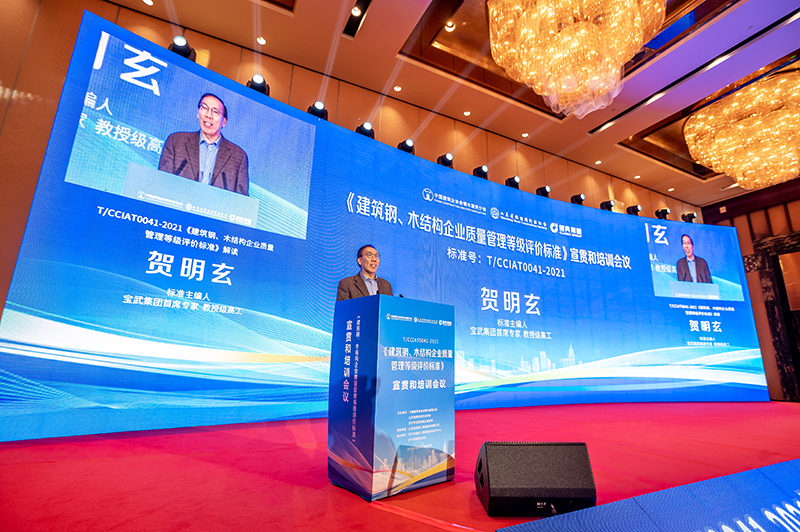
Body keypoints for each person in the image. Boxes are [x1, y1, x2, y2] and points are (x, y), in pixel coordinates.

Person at [158, 93, 249, 196]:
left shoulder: (238, 157)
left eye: (215, 111)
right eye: (204, 108)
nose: (208, 115)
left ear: (224, 122)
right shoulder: (176, 142)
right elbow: (161, 183)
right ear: (198, 113)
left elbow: (242, 200)